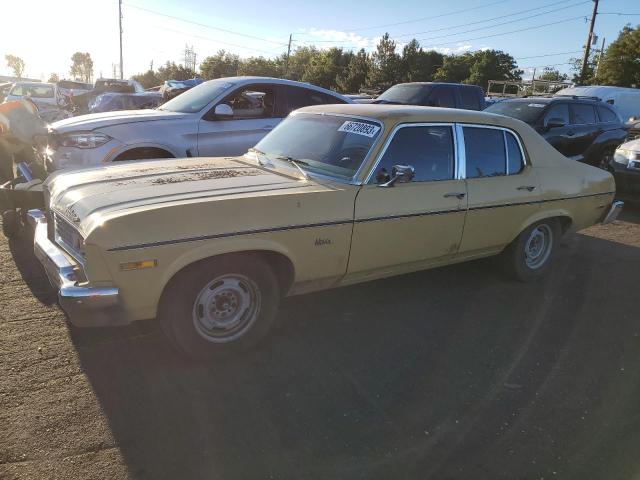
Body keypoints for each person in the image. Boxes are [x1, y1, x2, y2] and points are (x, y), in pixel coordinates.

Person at [0, 98, 48, 182]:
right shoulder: (30, 108)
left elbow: (36, 132)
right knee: (6, 164)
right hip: (6, 135)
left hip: (15, 133)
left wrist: (39, 151)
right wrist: (12, 148)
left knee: (29, 160)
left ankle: (28, 180)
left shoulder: (31, 110)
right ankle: (8, 186)